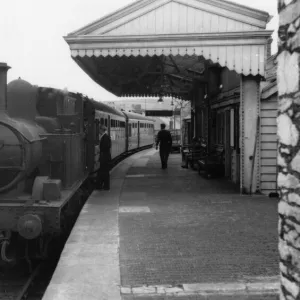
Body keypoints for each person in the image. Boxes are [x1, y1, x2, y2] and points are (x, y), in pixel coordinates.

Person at [96, 125, 112, 190]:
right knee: (104, 172)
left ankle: (105, 186)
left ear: (101, 130)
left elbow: (106, 146)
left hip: (105, 157)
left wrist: (99, 149)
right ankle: (104, 186)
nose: (98, 131)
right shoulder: (104, 137)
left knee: (104, 172)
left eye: (99, 130)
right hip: (105, 157)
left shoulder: (105, 137)